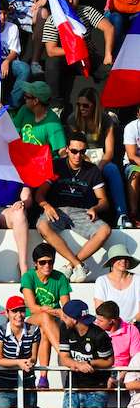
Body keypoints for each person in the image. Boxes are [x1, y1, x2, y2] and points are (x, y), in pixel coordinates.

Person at [35, 132, 111, 283]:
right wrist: (46, 205)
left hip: (82, 212)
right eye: (74, 151)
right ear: (67, 150)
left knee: (105, 230)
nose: (78, 155)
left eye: (82, 152)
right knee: (42, 225)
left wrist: (95, 208)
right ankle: (78, 265)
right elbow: (39, 195)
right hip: (57, 210)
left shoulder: (92, 170)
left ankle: (70, 266)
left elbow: (104, 201)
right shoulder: (56, 166)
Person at [43, 0, 115, 111]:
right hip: (66, 58)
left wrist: (108, 54)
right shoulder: (53, 19)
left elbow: (109, 28)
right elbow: (51, 51)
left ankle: (110, 111)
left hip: (88, 56)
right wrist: (75, 50)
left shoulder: (86, 11)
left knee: (111, 70)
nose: (70, 0)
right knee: (51, 62)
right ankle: (56, 106)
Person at [67, 87, 129, 227]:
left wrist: (98, 167)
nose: (81, 108)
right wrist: (85, 161)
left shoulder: (106, 120)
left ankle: (122, 214)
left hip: (101, 160)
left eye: (85, 105)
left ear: (94, 105)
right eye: (79, 105)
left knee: (112, 169)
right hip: (81, 157)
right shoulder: (73, 119)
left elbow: (110, 152)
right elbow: (75, 146)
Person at [0, 296, 41, 408]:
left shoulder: (34, 330)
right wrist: (19, 363)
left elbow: (33, 357)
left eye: (21, 311)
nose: (19, 315)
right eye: (14, 311)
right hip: (2, 387)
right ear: (7, 313)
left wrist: (28, 363)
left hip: (27, 385)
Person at [21, 242, 71, 389]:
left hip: (51, 321)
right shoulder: (28, 276)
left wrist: (60, 313)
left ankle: (43, 377)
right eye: (42, 262)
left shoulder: (60, 277)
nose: (47, 266)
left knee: (44, 330)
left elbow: (67, 307)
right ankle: (64, 355)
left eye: (50, 262)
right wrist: (55, 311)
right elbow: (32, 307)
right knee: (44, 318)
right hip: (32, 318)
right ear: (35, 263)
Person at [60, 299, 114, 408]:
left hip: (96, 389)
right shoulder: (65, 328)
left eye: (65, 317)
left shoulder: (100, 335)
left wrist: (90, 363)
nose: (62, 319)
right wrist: (78, 365)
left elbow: (109, 361)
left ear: (74, 319)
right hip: (73, 387)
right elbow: (64, 358)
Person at [14, 81, 66, 158]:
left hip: (43, 165)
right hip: (24, 159)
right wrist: (0, 115)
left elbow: (62, 151)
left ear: (36, 101)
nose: (24, 98)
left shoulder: (53, 123)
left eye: (27, 97)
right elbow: (12, 132)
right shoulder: (24, 110)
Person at [0, 0, 31, 110]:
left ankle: (13, 104)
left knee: (24, 69)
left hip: (9, 62)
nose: (2, 17)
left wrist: (6, 61)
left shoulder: (12, 28)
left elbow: (14, 51)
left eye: (5, 13)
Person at [94, 245, 140, 323]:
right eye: (119, 258)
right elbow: (100, 310)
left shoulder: (138, 279)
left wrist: (132, 324)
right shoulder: (102, 281)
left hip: (134, 327)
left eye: (126, 258)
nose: (123, 261)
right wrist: (115, 327)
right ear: (112, 261)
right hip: (110, 328)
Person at [94, 301, 140, 378]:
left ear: (112, 321)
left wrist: (123, 375)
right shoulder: (94, 329)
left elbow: (135, 358)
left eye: (100, 321)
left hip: (121, 372)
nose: (96, 322)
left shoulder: (131, 330)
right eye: (97, 319)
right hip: (98, 370)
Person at [124, 107, 140, 225]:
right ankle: (134, 214)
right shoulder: (131, 127)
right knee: (135, 174)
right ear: (138, 113)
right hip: (133, 163)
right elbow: (132, 156)